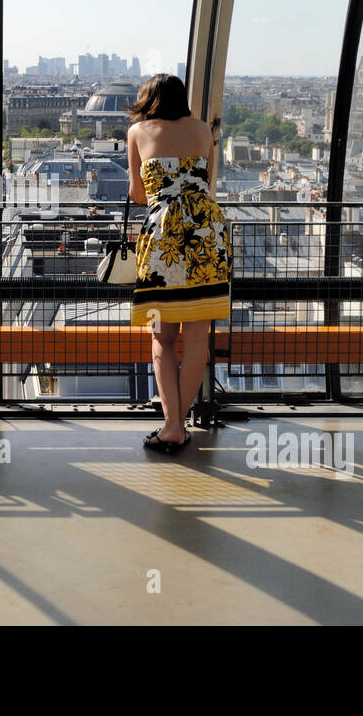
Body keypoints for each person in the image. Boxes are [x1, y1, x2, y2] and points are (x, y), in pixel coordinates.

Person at [124, 74, 232, 453]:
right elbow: (208, 183)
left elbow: (138, 195)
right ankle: (179, 424)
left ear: (148, 100)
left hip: (163, 236)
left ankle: (170, 426)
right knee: (198, 336)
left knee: (162, 337)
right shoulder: (204, 130)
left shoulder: (138, 132)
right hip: (206, 231)